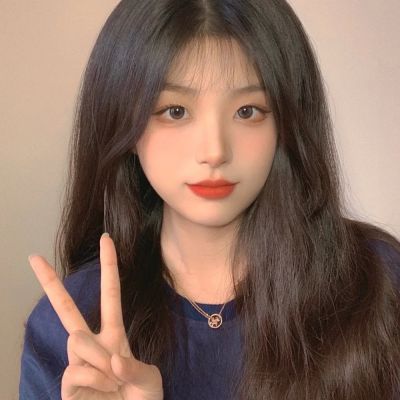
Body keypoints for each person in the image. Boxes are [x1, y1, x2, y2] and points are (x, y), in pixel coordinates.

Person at [19, 1, 400, 399]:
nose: (214, 151)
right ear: (124, 124)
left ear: (287, 123)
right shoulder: (72, 332)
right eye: (175, 111)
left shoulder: (376, 285)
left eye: (248, 111)